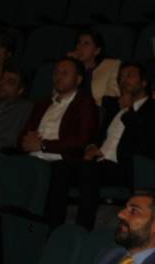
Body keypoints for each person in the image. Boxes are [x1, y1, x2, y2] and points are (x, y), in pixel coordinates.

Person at [78, 62, 155, 230]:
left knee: (89, 172)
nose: (123, 80)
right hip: (100, 162)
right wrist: (92, 147)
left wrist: (129, 110)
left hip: (127, 167)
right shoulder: (113, 107)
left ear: (144, 82)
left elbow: (145, 145)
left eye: (129, 76)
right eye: (121, 77)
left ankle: (82, 228)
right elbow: (100, 137)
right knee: (60, 169)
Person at [19, 57, 99, 226]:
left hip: (61, 161)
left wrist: (44, 145)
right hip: (32, 158)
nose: (58, 77)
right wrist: (26, 141)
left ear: (78, 79)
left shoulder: (84, 103)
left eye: (65, 73)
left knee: (58, 173)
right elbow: (23, 134)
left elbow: (82, 141)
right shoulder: (42, 103)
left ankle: (49, 229)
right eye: (56, 73)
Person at [68, 29, 121, 107]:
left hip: (99, 110)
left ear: (97, 50)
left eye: (86, 43)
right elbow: (59, 94)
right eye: (78, 43)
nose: (80, 47)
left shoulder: (112, 65)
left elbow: (112, 96)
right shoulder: (71, 67)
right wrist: (69, 64)